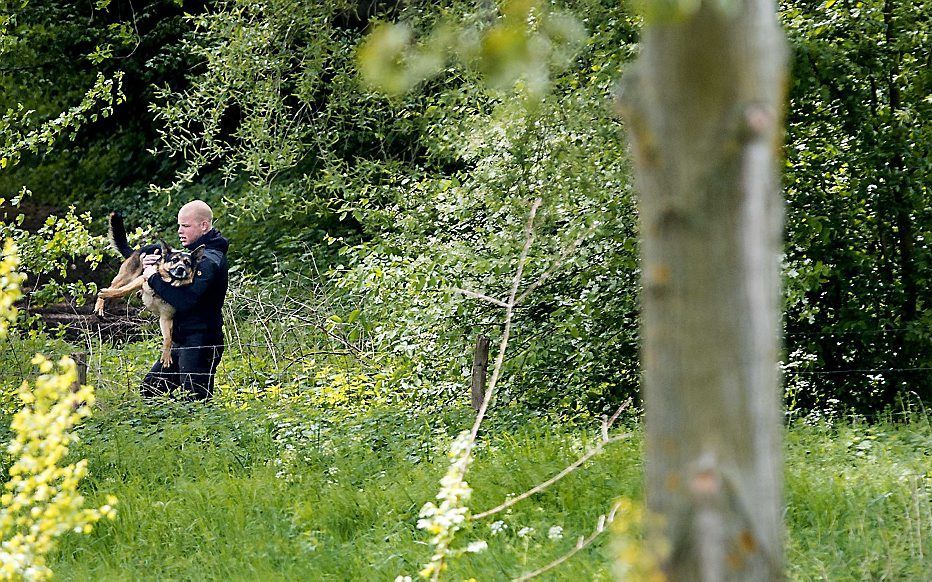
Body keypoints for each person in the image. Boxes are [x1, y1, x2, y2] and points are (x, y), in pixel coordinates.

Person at [140, 200, 229, 400]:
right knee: (150, 390)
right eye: (179, 225)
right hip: (181, 340)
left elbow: (185, 301)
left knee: (196, 401)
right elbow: (170, 273)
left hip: (201, 341)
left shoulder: (209, 260)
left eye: (185, 226)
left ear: (204, 225)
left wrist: (153, 277)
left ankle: (204, 431)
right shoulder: (193, 254)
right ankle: (170, 426)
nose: (180, 231)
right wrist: (150, 265)